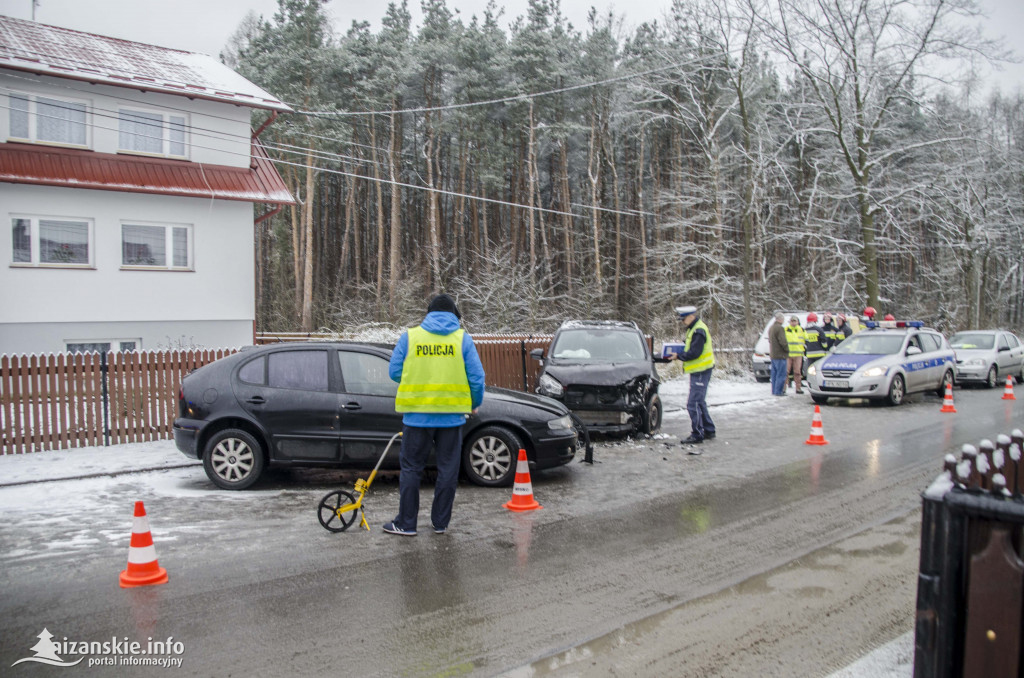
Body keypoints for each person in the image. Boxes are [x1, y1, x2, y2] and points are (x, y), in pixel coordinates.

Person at [383, 293, 486, 536]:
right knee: (448, 470)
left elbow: (394, 371)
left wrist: (417, 379)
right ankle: (440, 523)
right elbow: (477, 378)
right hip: (451, 418)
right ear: (454, 315)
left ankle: (406, 524)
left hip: (417, 417)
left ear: (428, 314)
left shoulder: (411, 337)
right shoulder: (462, 339)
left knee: (411, 469)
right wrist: (474, 402)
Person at [665, 305, 716, 445]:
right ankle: (709, 430)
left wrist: (678, 356)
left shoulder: (698, 330)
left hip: (700, 370)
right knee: (700, 402)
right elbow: (692, 347)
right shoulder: (695, 328)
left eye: (683, 319)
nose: (682, 322)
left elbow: (695, 352)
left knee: (693, 403)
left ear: (691, 316)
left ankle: (697, 434)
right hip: (700, 370)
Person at [768, 311, 789, 396]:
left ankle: (774, 390)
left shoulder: (771, 328)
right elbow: (783, 341)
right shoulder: (780, 328)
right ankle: (778, 391)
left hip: (773, 354)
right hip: (780, 355)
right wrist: (787, 349)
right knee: (781, 374)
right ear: (780, 319)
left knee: (774, 375)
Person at [785, 315, 806, 393]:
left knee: (797, 372)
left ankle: (798, 388)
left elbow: (806, 339)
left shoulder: (802, 330)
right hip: (788, 354)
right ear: (790, 322)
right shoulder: (786, 330)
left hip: (798, 354)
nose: (793, 323)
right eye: (792, 321)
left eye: (795, 321)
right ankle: (784, 388)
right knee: (786, 372)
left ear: (797, 322)